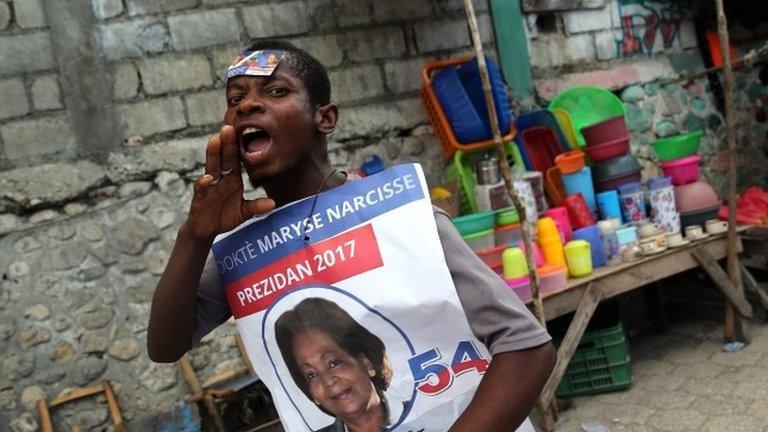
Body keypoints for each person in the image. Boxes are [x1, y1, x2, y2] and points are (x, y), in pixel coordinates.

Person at [148, 39, 555, 431]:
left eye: (275, 90)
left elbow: (526, 348)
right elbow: (166, 346)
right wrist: (194, 237)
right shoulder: (246, 253)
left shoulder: (399, 216)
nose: (248, 105)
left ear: (324, 118)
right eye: (235, 99)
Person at [274, 297, 404, 432]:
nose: (328, 381)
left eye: (333, 363)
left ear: (365, 361)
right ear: (311, 392)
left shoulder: (423, 412)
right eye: (311, 375)